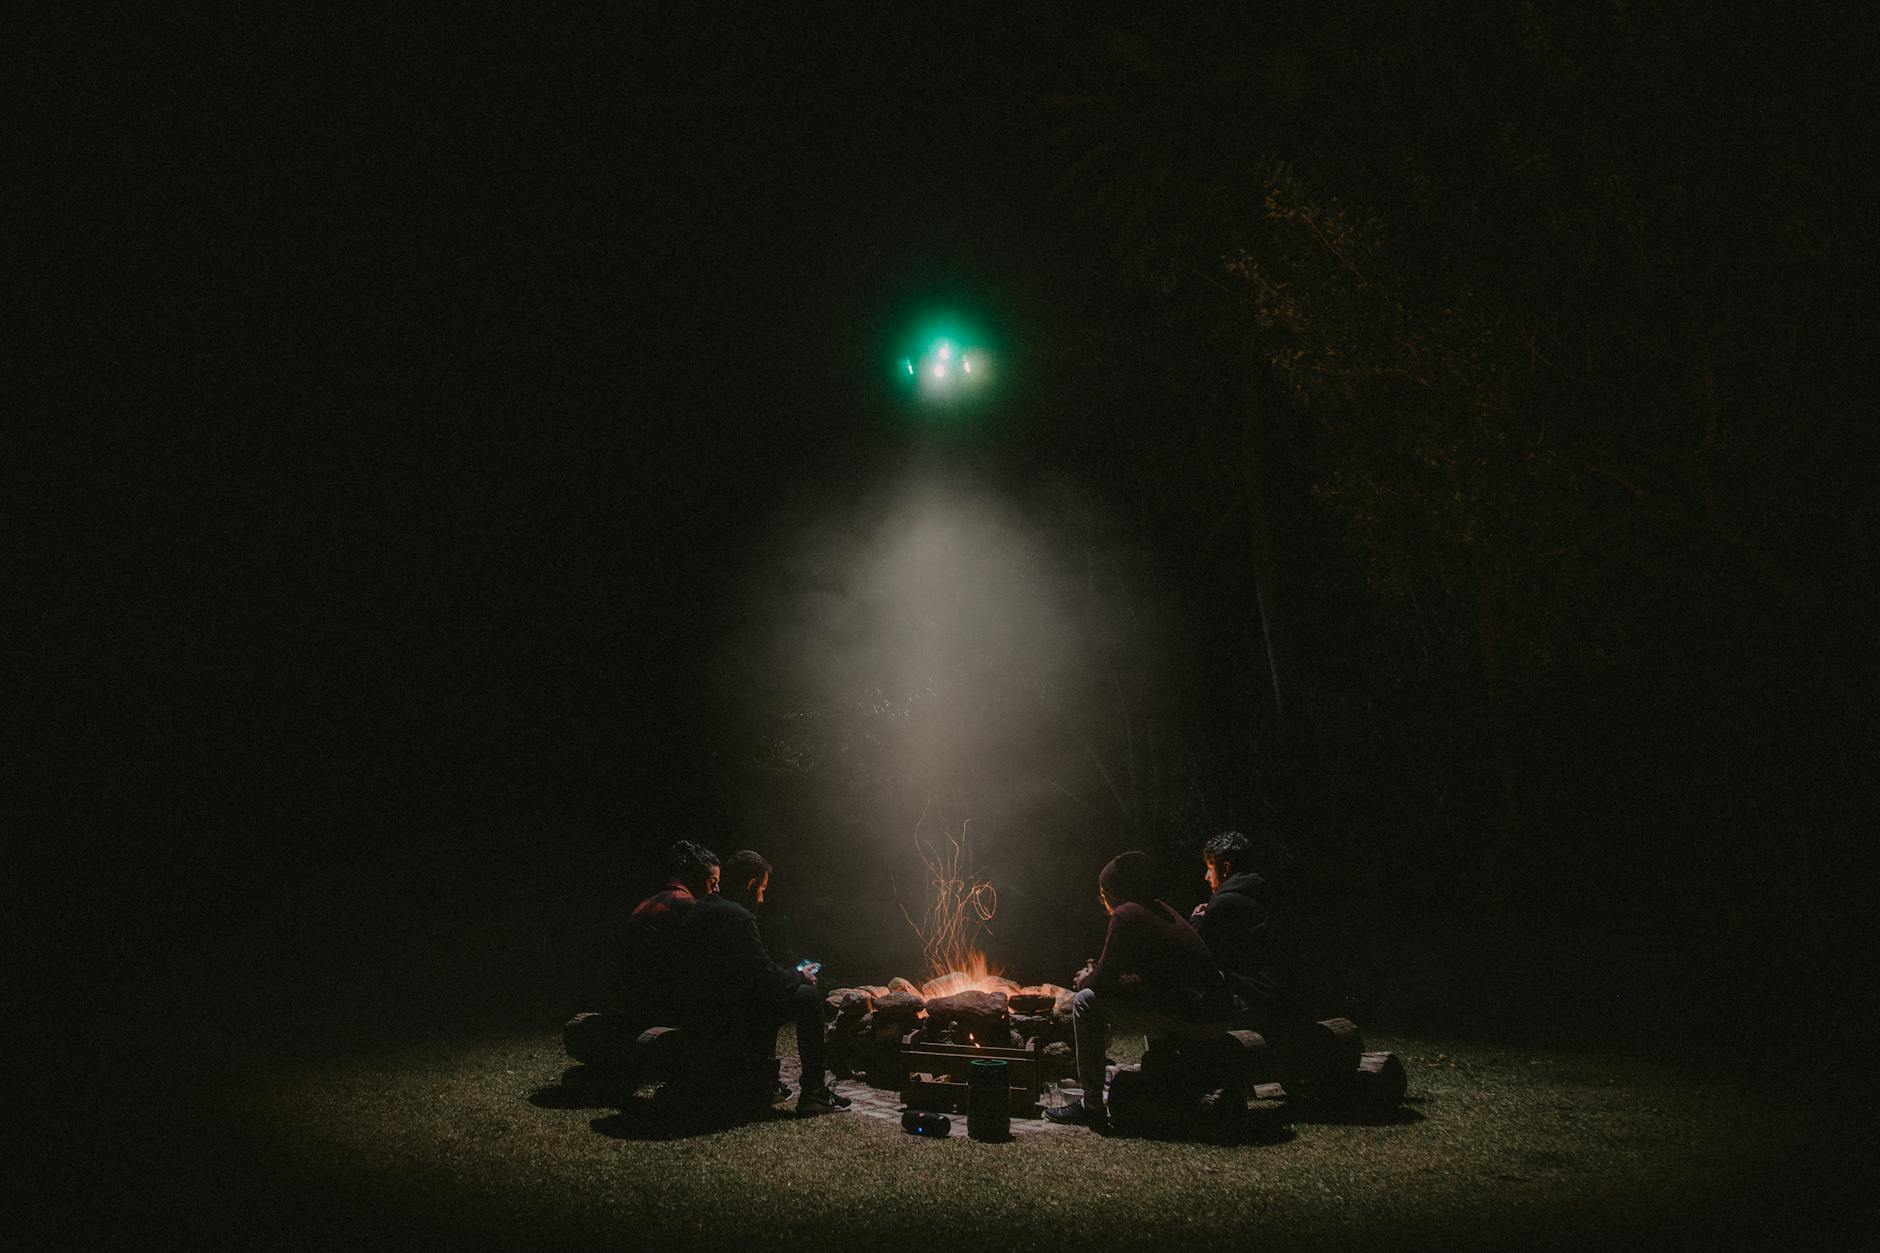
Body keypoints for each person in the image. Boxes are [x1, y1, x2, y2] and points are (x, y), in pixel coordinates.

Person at [1045, 851, 1234, 1127]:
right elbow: (1149, 978)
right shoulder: (1159, 909)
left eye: (1103, 894)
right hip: (1218, 1015)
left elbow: (1100, 981)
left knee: (1085, 1001)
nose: (1103, 902)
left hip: (1195, 1020)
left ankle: (1092, 1103)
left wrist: (1086, 978)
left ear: (1112, 892)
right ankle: (1161, 1072)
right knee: (1142, 1000)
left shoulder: (1126, 914)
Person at [680, 848, 851, 1115]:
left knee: (777, 994)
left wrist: (785, 976)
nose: (762, 897)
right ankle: (814, 1092)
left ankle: (764, 1083)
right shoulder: (739, 917)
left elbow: (748, 970)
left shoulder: (698, 910)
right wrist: (799, 976)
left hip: (700, 1010)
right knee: (806, 996)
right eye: (762, 888)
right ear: (750, 884)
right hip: (730, 1012)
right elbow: (763, 976)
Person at [1189, 830, 1306, 1033]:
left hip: (1251, 1000)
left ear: (1225, 868)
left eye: (1209, 868)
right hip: (1287, 997)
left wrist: (1197, 919)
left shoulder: (1224, 902)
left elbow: (1197, 952)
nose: (1206, 876)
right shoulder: (1266, 893)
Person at [616, 839, 721, 1028]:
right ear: (693, 877)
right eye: (712, 883)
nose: (716, 890)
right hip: (661, 1007)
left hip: (629, 999)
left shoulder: (648, 901)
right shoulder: (688, 906)